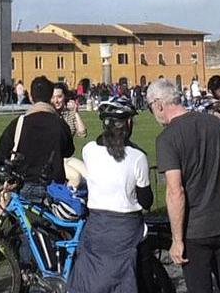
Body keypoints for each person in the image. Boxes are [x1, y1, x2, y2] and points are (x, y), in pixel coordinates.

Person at [147, 78, 220, 293]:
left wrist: (177, 239)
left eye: (150, 107)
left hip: (196, 229)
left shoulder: (167, 138)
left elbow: (175, 191)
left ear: (159, 104)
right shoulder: (214, 124)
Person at [67, 98, 153, 293]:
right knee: (127, 277)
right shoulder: (137, 157)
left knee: (91, 276)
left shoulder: (89, 150)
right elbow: (146, 200)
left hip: (97, 224)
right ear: (128, 124)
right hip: (125, 226)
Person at [0, 77, 75, 202]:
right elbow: (69, 151)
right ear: (50, 97)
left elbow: (1, 154)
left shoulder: (19, 123)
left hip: (24, 185)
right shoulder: (60, 124)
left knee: (24, 221)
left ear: (32, 97)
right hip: (54, 187)